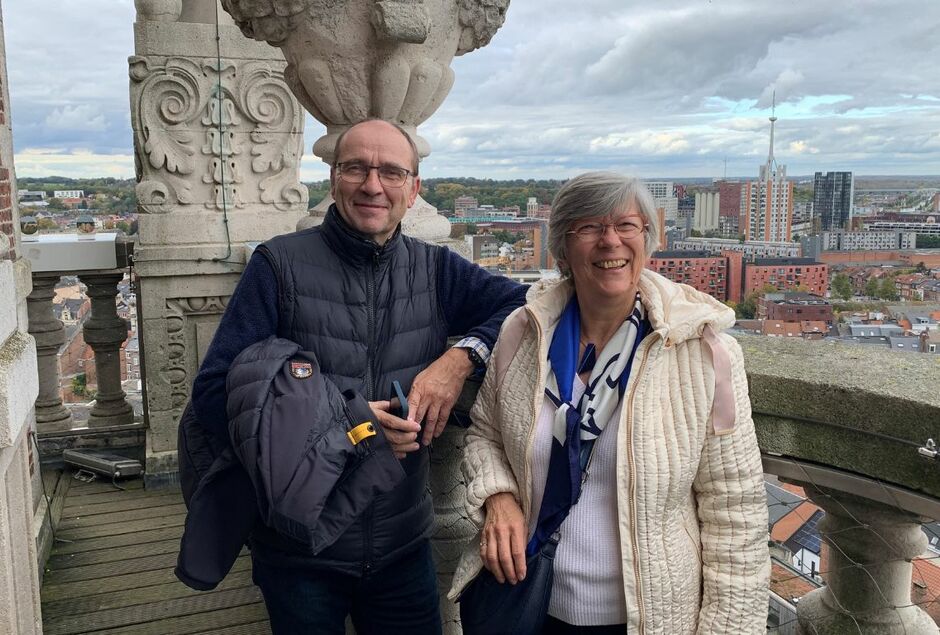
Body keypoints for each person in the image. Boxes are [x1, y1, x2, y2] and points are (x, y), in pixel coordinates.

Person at [189, 118, 527, 634]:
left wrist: (460, 359)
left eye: (392, 172)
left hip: (402, 545)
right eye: (357, 168)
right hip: (300, 550)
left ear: (413, 190)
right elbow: (215, 395)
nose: (373, 185)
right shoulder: (277, 266)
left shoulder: (436, 269)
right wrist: (348, 424)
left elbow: (526, 306)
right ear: (333, 179)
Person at [449, 172, 770, 634]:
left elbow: (735, 513)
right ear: (561, 247)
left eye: (627, 226)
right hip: (529, 602)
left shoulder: (704, 354)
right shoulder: (523, 333)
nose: (610, 241)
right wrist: (498, 497)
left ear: (648, 240)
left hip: (648, 618)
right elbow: (485, 433)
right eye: (588, 227)